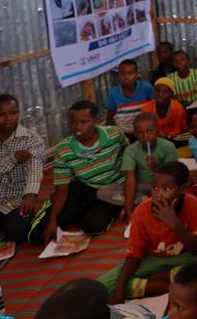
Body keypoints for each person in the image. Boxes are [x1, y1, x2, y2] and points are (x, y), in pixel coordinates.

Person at [99, 161, 197, 304]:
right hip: (153, 260)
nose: (157, 195)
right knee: (105, 284)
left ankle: (154, 280)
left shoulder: (192, 204)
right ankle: (172, 282)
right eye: (154, 188)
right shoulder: (141, 212)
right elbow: (134, 255)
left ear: (183, 189)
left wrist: (175, 225)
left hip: (185, 256)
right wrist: (120, 289)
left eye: (166, 189)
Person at [31, 101, 127, 245]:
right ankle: (56, 208)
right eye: (73, 122)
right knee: (37, 236)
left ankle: (87, 212)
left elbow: (129, 156)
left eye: (83, 122)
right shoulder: (64, 148)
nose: (77, 127)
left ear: (95, 120)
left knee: (92, 226)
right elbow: (62, 187)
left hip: (111, 189)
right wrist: (53, 219)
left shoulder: (114, 134)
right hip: (83, 188)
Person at [0, 94, 44, 243]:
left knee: (18, 230)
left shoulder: (30, 139)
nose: (9, 118)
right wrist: (11, 159)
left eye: (14, 113)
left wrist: (30, 194)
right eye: (1, 114)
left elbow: (35, 167)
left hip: (16, 199)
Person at [104, 113, 177, 222]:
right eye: (140, 133)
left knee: (175, 190)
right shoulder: (131, 150)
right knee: (103, 192)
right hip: (141, 187)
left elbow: (171, 178)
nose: (146, 137)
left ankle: (143, 202)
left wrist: (155, 168)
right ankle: (144, 201)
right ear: (135, 135)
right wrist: (129, 212)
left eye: (150, 132)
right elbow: (130, 180)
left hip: (162, 187)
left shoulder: (168, 146)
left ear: (157, 130)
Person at [104, 60, 154, 134]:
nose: (126, 77)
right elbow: (109, 120)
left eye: (130, 73)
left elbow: (155, 109)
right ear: (118, 75)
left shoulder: (146, 88)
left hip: (144, 132)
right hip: (124, 133)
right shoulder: (113, 93)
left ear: (137, 74)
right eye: (123, 74)